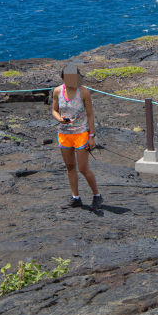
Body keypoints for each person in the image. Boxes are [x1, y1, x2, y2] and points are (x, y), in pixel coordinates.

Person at [51, 64, 102, 210]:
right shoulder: (57, 91)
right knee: (70, 167)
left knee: (83, 168)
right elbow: (54, 110)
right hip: (64, 134)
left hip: (81, 134)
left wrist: (91, 136)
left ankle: (97, 195)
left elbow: (90, 115)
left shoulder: (84, 92)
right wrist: (59, 119)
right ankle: (75, 198)